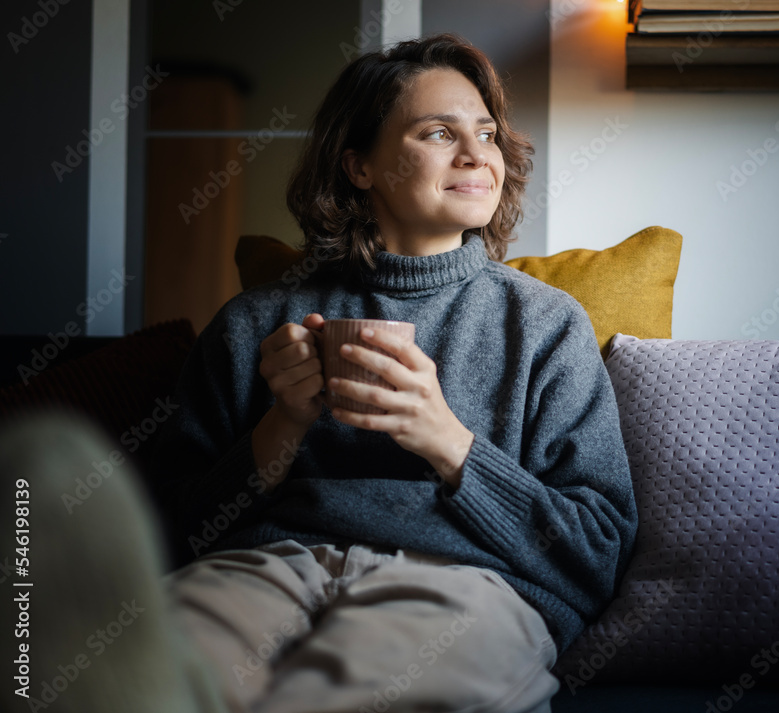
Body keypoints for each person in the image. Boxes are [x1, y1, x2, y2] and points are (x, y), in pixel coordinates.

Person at [149, 33, 637, 713]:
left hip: (465, 582)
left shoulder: (548, 326)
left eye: (487, 134)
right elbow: (166, 536)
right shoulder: (255, 322)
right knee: (145, 678)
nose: (477, 155)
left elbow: (597, 553)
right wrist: (280, 426)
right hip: (263, 569)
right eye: (439, 132)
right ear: (359, 166)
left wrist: (447, 440)